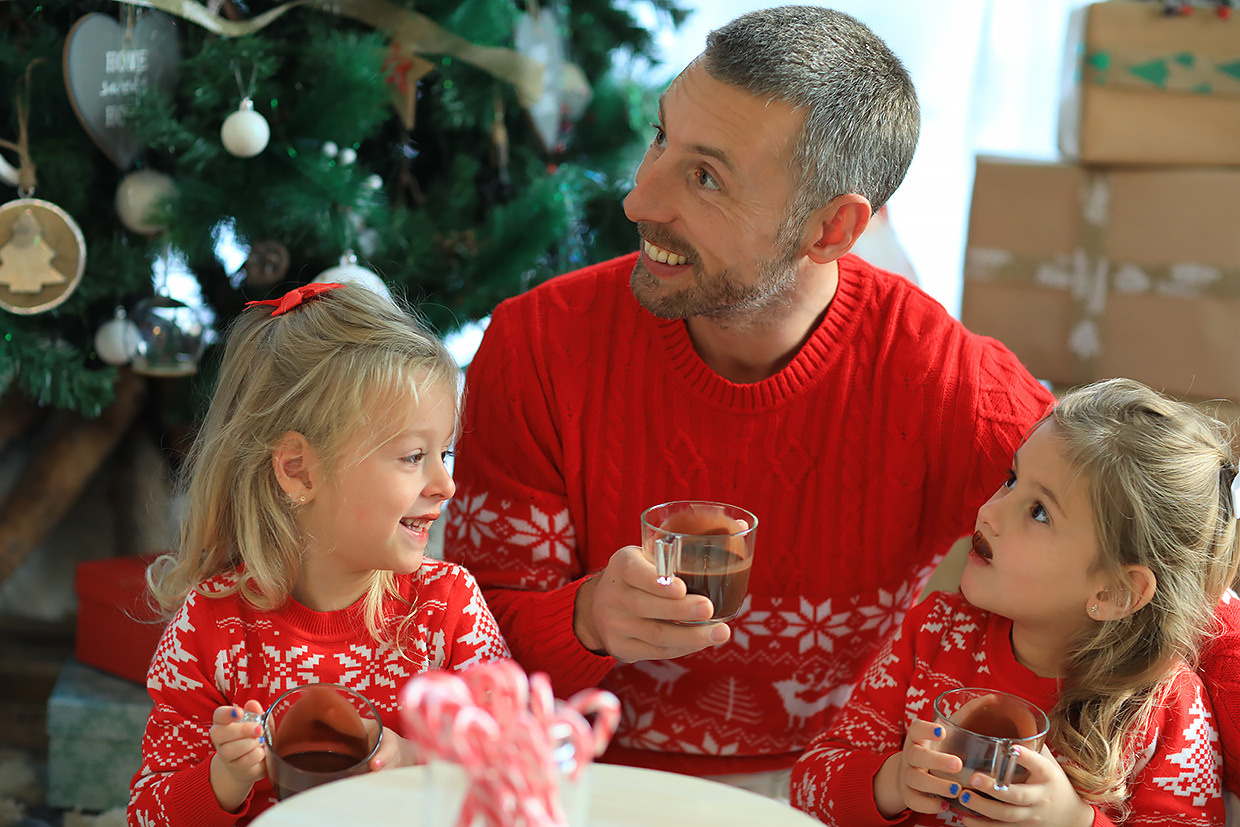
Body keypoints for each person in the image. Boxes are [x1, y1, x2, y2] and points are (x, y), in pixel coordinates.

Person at [442, 5, 1056, 791]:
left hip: (839, 790)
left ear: (832, 228)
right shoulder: (538, 344)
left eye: (705, 177)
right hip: (574, 774)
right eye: (660, 138)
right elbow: (462, 647)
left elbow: (1153, 558)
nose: (638, 200)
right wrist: (587, 616)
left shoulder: (946, 380)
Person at [127, 283, 510, 826]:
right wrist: (224, 780)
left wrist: (417, 758)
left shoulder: (447, 608)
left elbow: (514, 764)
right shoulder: (210, 627)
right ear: (299, 470)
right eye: (413, 456)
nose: (446, 484)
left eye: (444, 453)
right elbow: (146, 815)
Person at [792, 378, 1239, 825]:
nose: (989, 511)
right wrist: (893, 781)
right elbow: (809, 782)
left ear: (1115, 592)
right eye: (1011, 479)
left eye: (1038, 511)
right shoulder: (934, 632)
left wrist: (1073, 821)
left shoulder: (1165, 709)